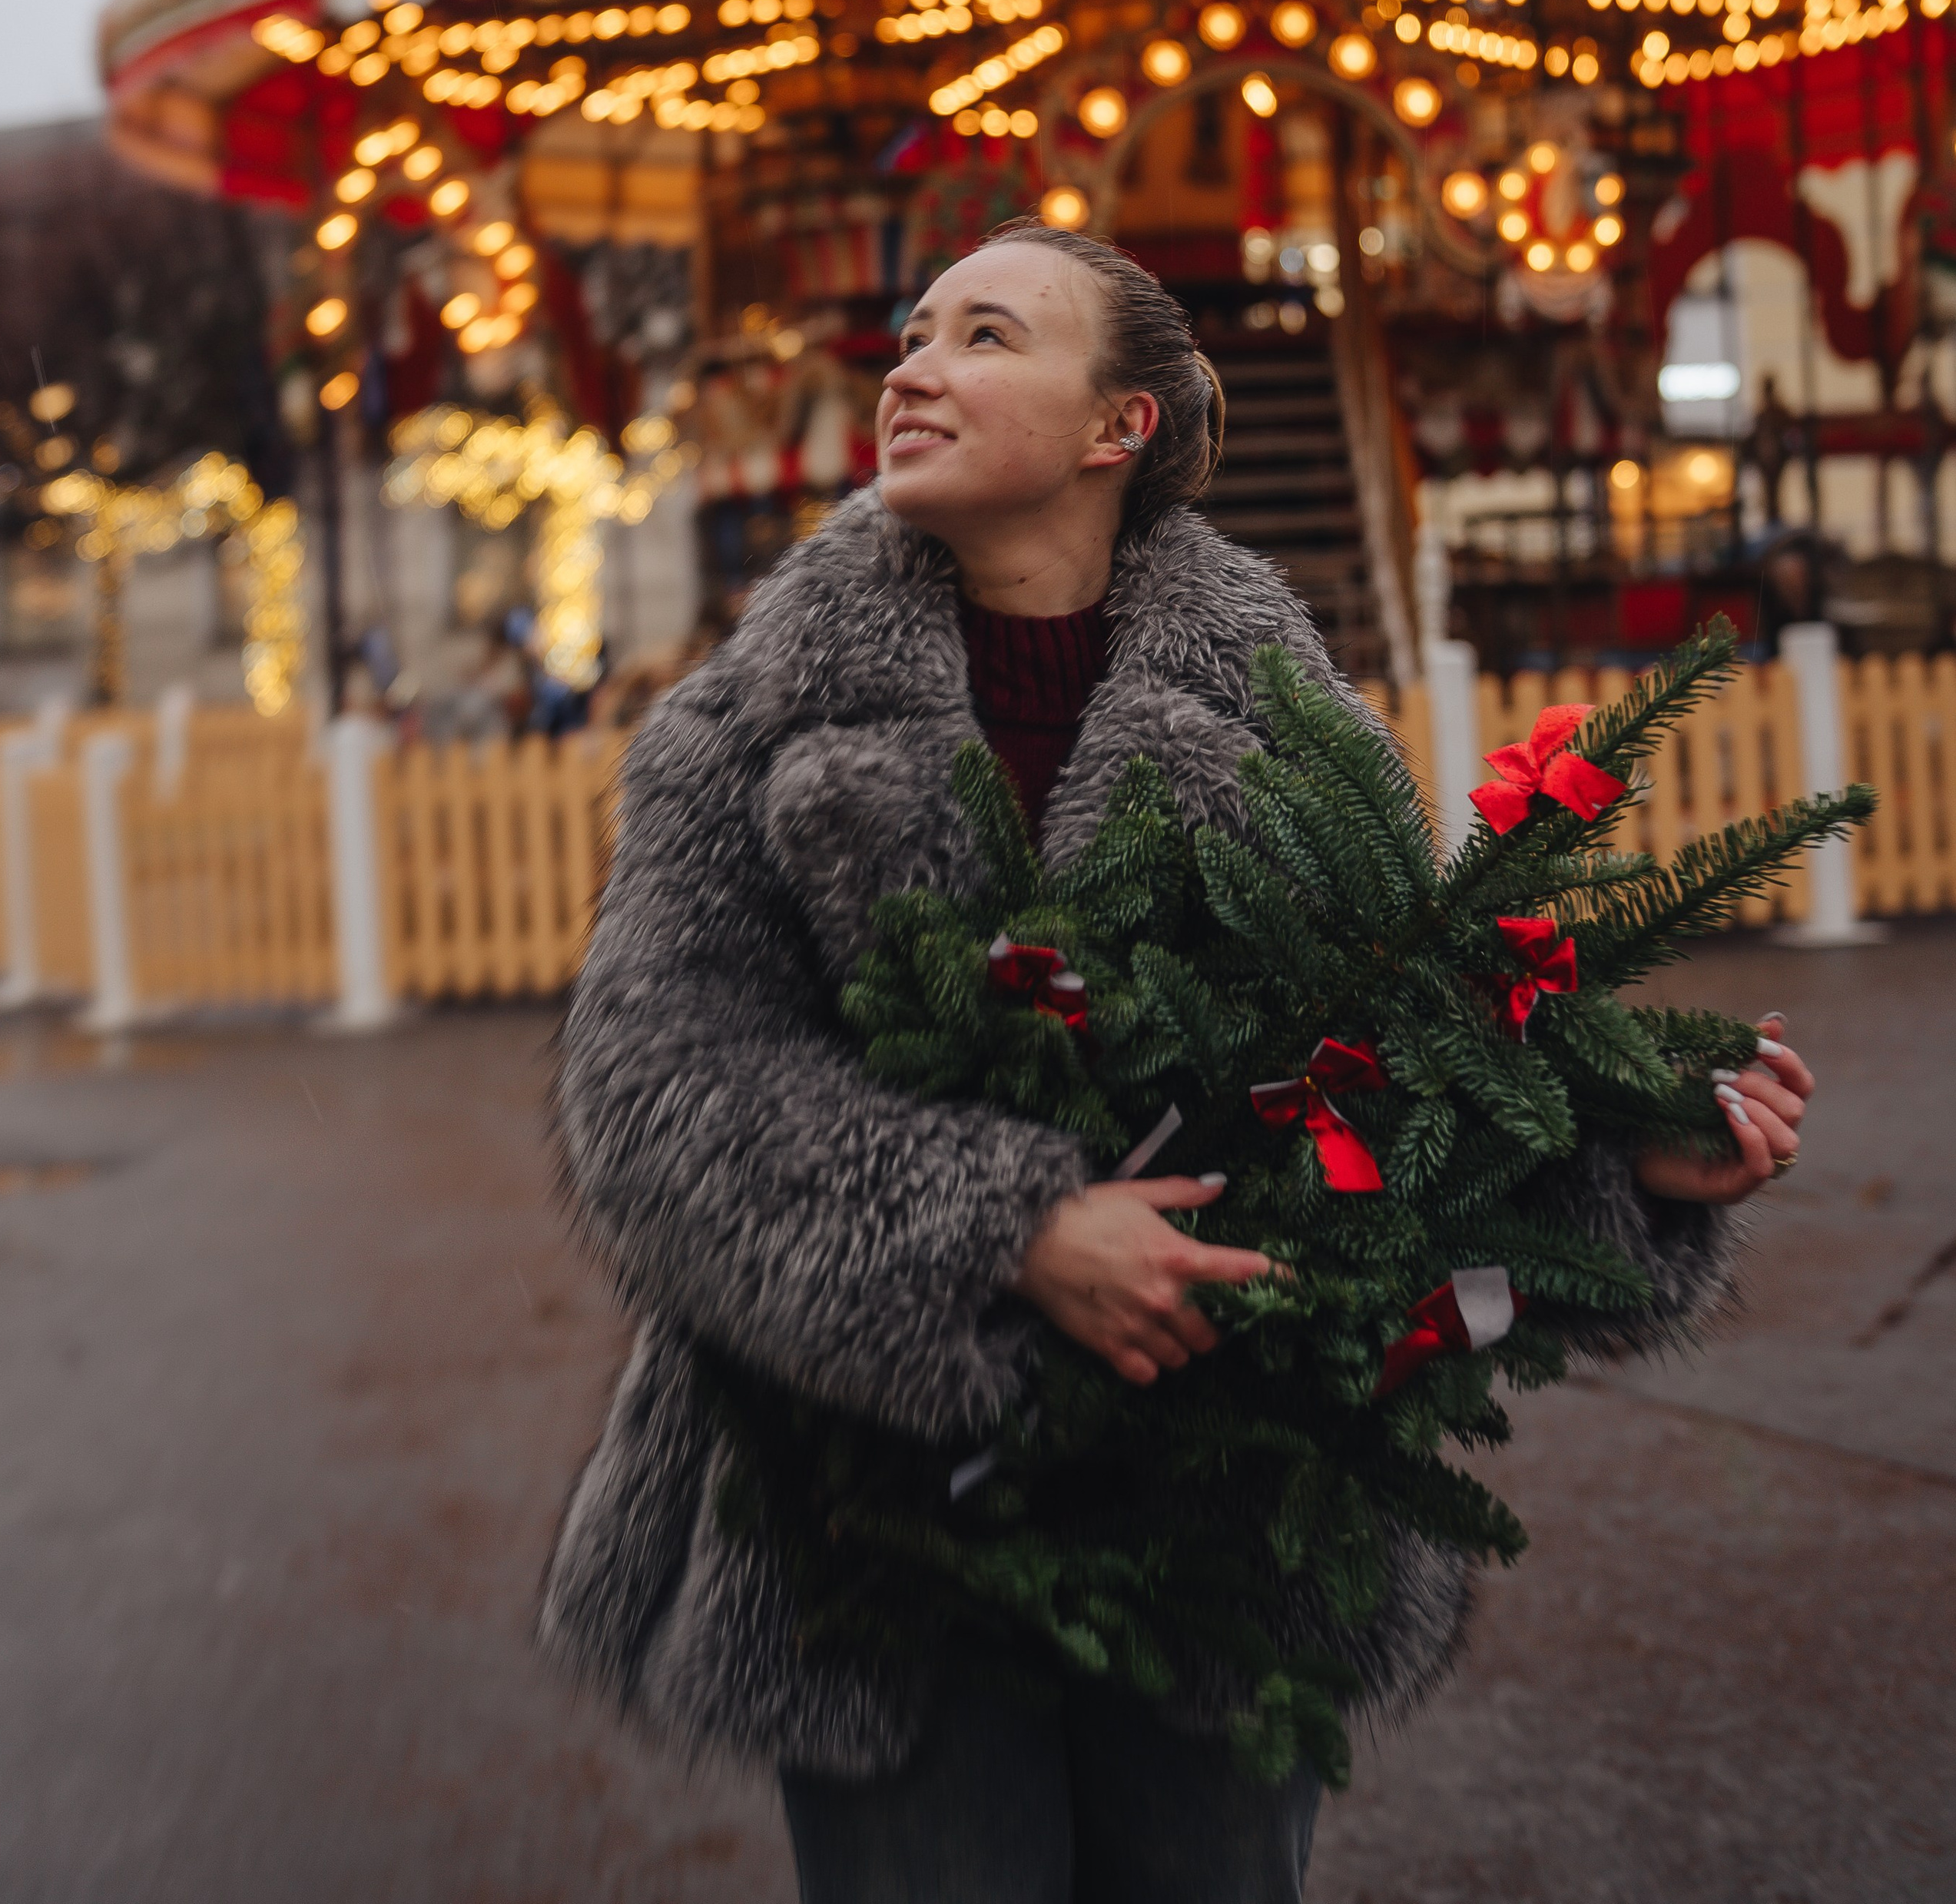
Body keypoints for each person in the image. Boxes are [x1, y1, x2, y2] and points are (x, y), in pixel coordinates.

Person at [543, 223, 1812, 1903]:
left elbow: (1385, 1077)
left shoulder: (1290, 736)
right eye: (910, 336)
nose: (908, 368)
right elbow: (652, 1096)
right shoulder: (741, 733)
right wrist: (1006, 1233)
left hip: (1220, 1499)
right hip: (872, 1516)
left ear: (1113, 428)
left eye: (982, 336)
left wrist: (1622, 1176)